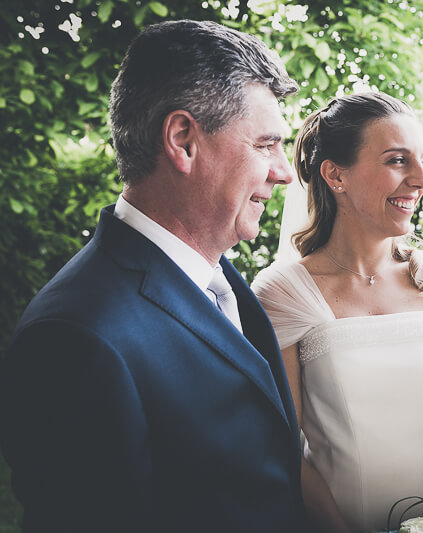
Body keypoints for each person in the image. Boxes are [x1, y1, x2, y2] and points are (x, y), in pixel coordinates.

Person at [0, 20, 308, 532]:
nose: (283, 171)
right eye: (265, 145)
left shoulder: (216, 276)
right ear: (183, 140)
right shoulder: (76, 339)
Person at [251, 92, 423, 533]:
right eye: (397, 160)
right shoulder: (283, 292)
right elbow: (282, 440)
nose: (421, 179)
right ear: (335, 175)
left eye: (422, 160)